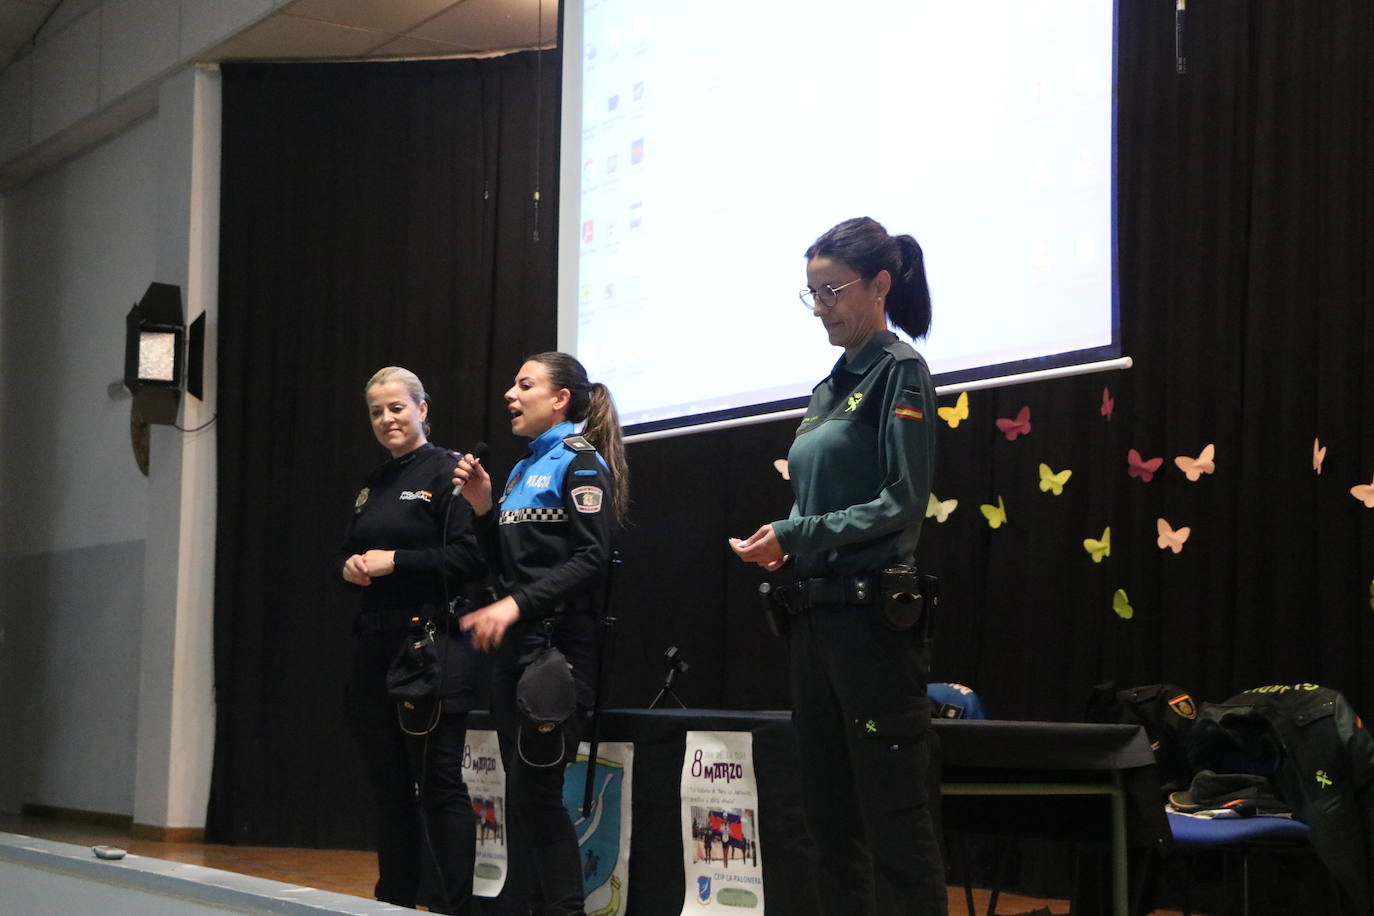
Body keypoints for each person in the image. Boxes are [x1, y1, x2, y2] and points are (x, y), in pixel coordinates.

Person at [730, 217, 946, 916]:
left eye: (832, 291)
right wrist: (790, 540)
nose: (820, 307)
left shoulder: (899, 370)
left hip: (872, 620)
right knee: (827, 820)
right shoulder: (830, 387)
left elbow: (903, 501)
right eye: (811, 294)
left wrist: (796, 531)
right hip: (814, 616)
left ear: (880, 285)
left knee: (895, 819)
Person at [451, 351, 628, 916]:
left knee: (538, 796)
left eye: (524, 384)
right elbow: (502, 567)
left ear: (560, 400)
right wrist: (483, 510)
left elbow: (592, 559)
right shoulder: (522, 469)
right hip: (514, 651)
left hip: (556, 652)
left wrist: (513, 606)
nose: (510, 393)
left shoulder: (581, 463)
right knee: (520, 797)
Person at [333, 366, 485, 915]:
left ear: (423, 408)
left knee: (437, 782)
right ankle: (393, 901)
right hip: (373, 649)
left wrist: (395, 561)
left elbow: (470, 559)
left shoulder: (450, 473)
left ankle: (451, 906)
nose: (386, 419)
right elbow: (350, 554)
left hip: (431, 646)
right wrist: (349, 567)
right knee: (388, 787)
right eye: (376, 411)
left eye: (396, 407)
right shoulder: (371, 486)